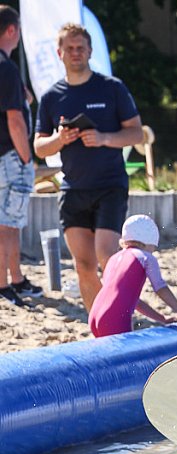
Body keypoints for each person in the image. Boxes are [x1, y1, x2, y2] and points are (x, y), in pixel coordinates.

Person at [33, 23, 143, 312]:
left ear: (90, 50)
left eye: (80, 47)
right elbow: (39, 147)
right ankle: (100, 327)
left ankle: (120, 318)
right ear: (59, 53)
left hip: (109, 185)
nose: (75, 53)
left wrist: (105, 138)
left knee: (107, 257)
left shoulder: (111, 88)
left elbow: (136, 134)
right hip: (73, 189)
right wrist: (60, 138)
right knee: (83, 266)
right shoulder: (51, 97)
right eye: (69, 48)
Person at [88, 214, 177, 337]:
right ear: (150, 241)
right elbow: (160, 288)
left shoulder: (114, 259)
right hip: (114, 319)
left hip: (94, 316)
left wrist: (162, 318)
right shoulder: (145, 257)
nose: (153, 250)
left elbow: (131, 300)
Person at [0, 6, 41, 307]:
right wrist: (27, 158)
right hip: (9, 157)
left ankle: (15, 278)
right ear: (11, 30)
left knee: (9, 223)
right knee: (8, 225)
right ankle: (5, 284)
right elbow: (15, 120)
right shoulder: (6, 68)